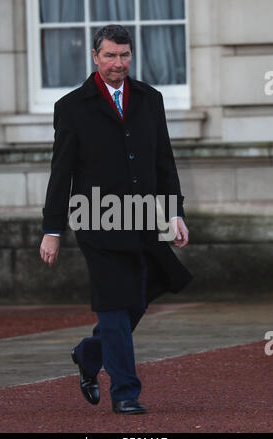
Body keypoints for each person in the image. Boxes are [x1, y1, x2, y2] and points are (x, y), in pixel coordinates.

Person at [40, 25, 193, 415]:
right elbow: (61, 173)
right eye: (110, 56)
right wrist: (52, 230)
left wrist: (174, 213)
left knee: (140, 296)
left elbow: (164, 162)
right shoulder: (72, 107)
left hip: (145, 217)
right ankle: (125, 391)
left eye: (124, 56)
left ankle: (90, 354)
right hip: (95, 219)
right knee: (113, 302)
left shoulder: (149, 99)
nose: (118, 64)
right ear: (95, 57)